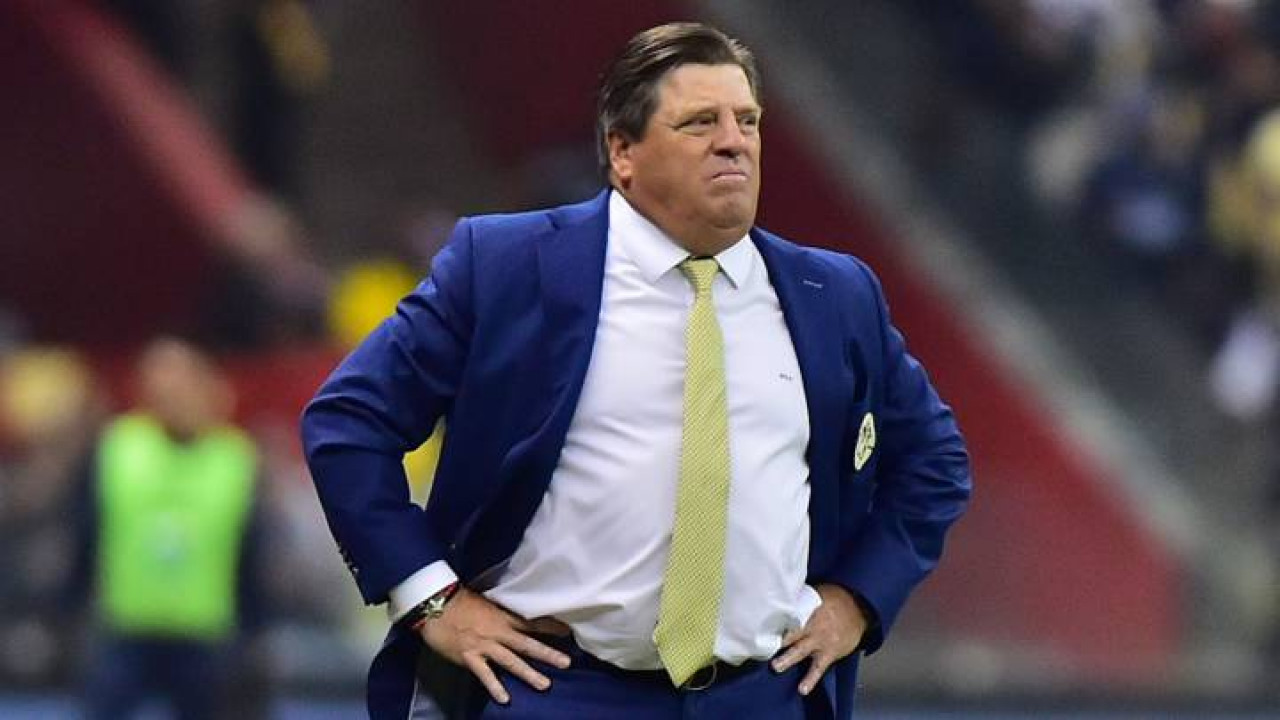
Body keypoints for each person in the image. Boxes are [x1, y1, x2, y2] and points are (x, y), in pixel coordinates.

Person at [301, 22, 971, 720]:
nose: (734, 141)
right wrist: (431, 597)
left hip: (764, 693)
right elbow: (350, 421)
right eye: (700, 123)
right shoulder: (506, 267)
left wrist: (859, 597)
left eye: (747, 120)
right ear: (623, 151)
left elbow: (934, 459)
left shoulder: (834, 293)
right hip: (556, 689)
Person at [70, 338, 266, 720]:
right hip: (125, 629)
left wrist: (255, 630)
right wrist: (69, 610)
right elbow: (85, 532)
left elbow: (251, 550)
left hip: (203, 634)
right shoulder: (118, 447)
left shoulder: (234, 457)